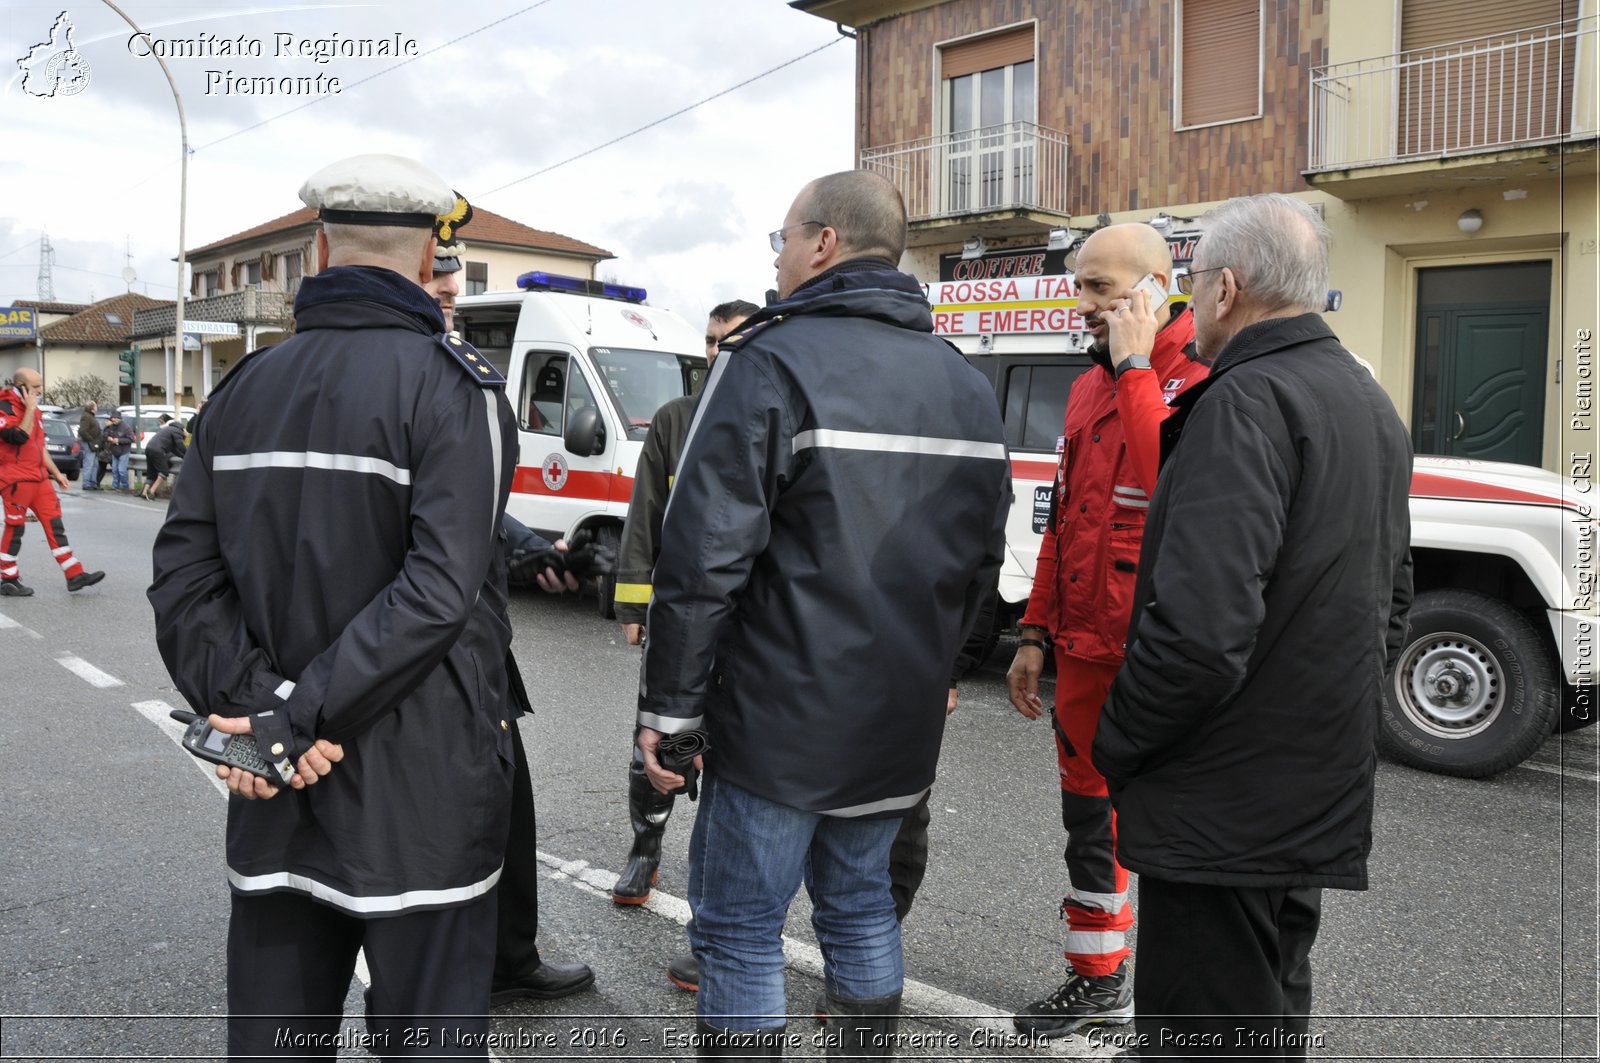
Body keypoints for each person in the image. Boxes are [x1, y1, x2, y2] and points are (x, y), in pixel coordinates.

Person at [148, 153, 521, 1059]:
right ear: (435, 255)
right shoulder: (457, 388)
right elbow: (440, 592)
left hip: (275, 783)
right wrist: (295, 719)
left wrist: (262, 718)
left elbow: (182, 578)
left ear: (318, 247)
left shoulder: (242, 390)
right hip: (421, 792)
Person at [636, 170, 1010, 1057]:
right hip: (898, 717)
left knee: (737, 928)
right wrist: (942, 672)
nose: (779, 256)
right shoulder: (962, 381)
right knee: (860, 906)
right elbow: (982, 562)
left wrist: (669, 714)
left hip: (777, 719)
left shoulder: (769, 358)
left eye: (782, 238)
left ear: (824, 243)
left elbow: (701, 555)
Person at [1091, 193, 1413, 1057]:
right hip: (1308, 783)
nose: (1190, 304)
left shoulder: (1244, 399)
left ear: (1227, 288)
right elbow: (1392, 596)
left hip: (1222, 807)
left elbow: (1197, 632)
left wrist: (1119, 741)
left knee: (1204, 1033)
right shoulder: (1367, 399)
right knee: (1266, 1020)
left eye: (1193, 286)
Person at [1005, 223, 1207, 1038]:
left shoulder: (1207, 376)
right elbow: (1063, 519)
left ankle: (1181, 1004)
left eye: (1099, 287)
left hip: (1161, 659)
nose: (1079, 301)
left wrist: (1134, 369)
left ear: (1157, 288)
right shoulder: (1089, 384)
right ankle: (1098, 979)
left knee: (1172, 837)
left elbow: (1177, 489)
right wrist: (1033, 633)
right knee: (1090, 825)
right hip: (1086, 655)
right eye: (1077, 282)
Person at [417, 194, 597, 1008]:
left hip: (477, 641)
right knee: (455, 818)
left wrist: (530, 550)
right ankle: (462, 973)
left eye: (456, 299)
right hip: (428, 645)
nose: (449, 310)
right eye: (441, 296)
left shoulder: (450, 373)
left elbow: (477, 505)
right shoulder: (418, 380)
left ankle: (504, 957)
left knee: (506, 806)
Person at [611, 298, 759, 917]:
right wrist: (633, 600)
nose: (716, 350)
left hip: (748, 618)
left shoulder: (767, 416)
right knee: (666, 734)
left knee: (739, 747)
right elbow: (644, 511)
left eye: (729, 339)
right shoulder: (675, 420)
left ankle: (722, 887)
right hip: (680, 612)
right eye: (709, 339)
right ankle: (646, 844)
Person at [0, 369, 105, 597]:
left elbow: (39, 446)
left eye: (40, 386)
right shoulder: (4, 409)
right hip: (15, 479)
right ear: (20, 386)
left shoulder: (35, 411)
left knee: (54, 524)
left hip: (39, 479)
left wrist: (57, 473)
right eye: (35, 387)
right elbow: (18, 437)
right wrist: (28, 409)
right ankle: (7, 577)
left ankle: (74, 574)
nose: (40, 391)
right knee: (15, 527)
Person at [142, 413, 186, 501]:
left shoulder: (167, 430)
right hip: (158, 450)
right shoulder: (177, 431)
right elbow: (180, 445)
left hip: (149, 448)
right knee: (164, 472)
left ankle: (144, 491)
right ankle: (151, 491)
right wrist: (188, 454)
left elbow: (174, 450)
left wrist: (183, 456)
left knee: (151, 473)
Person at [101, 411, 135, 492]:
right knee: (114, 470)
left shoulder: (126, 427)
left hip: (123, 451)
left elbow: (131, 439)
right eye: (113, 418)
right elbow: (104, 435)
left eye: (115, 418)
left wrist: (119, 440)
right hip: (114, 451)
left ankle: (125, 487)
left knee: (122, 470)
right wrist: (108, 438)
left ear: (120, 419)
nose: (114, 420)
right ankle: (115, 486)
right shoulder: (111, 426)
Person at [78, 402, 102, 490]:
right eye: (96, 406)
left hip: (94, 443)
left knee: (95, 464)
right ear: (92, 408)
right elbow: (82, 431)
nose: (97, 408)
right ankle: (86, 483)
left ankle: (93, 482)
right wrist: (91, 439)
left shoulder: (91, 416)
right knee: (89, 463)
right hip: (89, 443)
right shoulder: (86, 416)